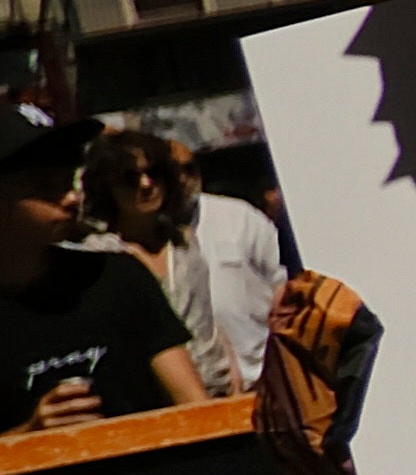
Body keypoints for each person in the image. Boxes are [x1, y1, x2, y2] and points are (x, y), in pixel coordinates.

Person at [0, 114, 210, 424]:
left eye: (68, 182)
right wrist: (28, 436)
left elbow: (194, 406)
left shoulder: (117, 277)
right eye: (45, 187)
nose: (71, 198)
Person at [174, 136, 291, 390]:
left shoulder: (238, 217)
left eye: (189, 169)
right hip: (205, 385)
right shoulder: (148, 238)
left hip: (266, 377)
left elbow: (283, 287)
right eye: (172, 171)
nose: (183, 178)